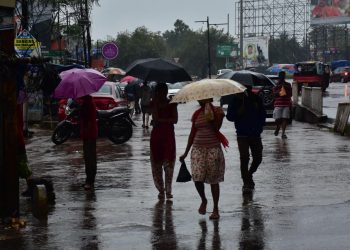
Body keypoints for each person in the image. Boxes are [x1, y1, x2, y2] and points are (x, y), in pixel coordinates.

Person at [180, 98, 228, 220]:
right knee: (197, 177)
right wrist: (185, 152)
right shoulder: (196, 114)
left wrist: (213, 117)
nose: (201, 100)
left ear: (209, 98)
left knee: (213, 180)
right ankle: (204, 200)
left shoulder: (217, 111)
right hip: (197, 149)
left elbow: (216, 128)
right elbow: (192, 134)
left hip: (213, 148)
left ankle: (215, 209)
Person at [226, 86, 266, 191]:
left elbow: (263, 114)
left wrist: (260, 126)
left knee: (258, 158)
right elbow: (229, 116)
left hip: (255, 134)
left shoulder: (256, 99)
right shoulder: (235, 100)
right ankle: (246, 183)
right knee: (244, 158)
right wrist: (239, 112)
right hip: (242, 134)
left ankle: (249, 174)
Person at [150, 82, 178, 200]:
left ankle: (167, 190)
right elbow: (157, 118)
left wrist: (160, 120)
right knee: (157, 165)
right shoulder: (155, 103)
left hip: (167, 136)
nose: (161, 94)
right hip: (158, 137)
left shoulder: (171, 104)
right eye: (159, 92)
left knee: (168, 164)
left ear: (166, 92)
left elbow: (175, 120)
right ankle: (162, 190)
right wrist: (166, 119)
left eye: (163, 91)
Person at [79, 95, 98, 190]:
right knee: (88, 157)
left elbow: (89, 119)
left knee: (90, 157)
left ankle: (90, 181)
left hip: (89, 134)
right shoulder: (86, 102)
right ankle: (89, 179)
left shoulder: (89, 103)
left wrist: (86, 130)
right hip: (87, 133)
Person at [273, 71, 292, 139]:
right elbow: (274, 94)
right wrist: (279, 91)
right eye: (281, 76)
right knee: (277, 119)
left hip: (286, 104)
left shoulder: (288, 85)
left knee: (284, 119)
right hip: (278, 104)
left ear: (284, 77)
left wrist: (285, 89)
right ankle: (278, 127)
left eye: (283, 76)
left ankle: (283, 133)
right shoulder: (276, 85)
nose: (282, 77)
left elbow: (290, 94)